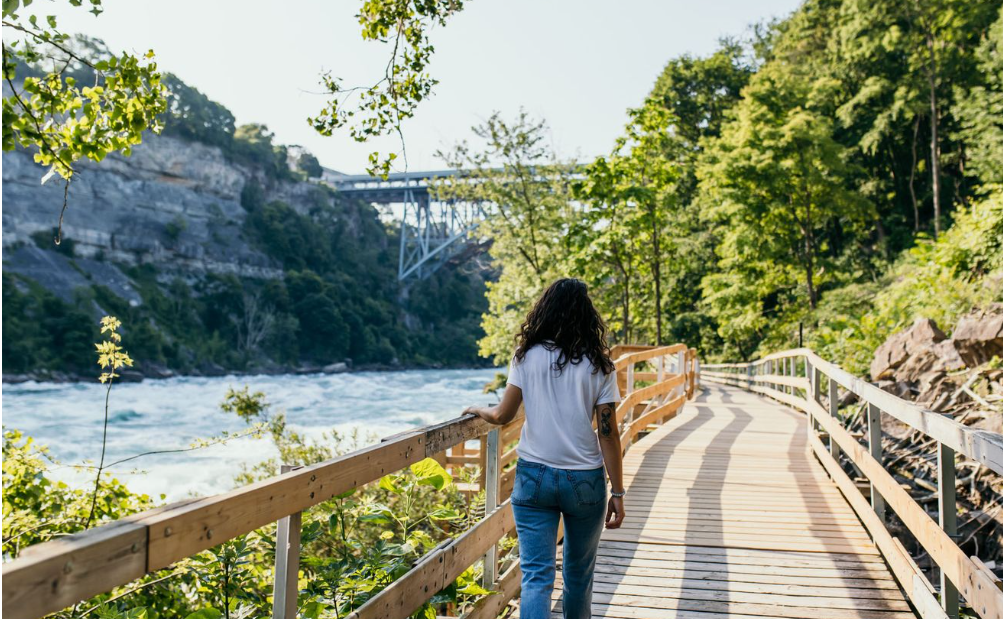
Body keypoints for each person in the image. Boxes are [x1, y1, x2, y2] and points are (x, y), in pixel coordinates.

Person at [464, 278, 625, 619]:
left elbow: (503, 414)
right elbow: (608, 434)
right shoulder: (600, 365)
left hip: (534, 477)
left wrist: (479, 410)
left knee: (536, 578)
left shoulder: (526, 357)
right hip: (584, 481)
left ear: (544, 311)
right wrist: (619, 493)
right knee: (579, 577)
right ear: (587, 315)